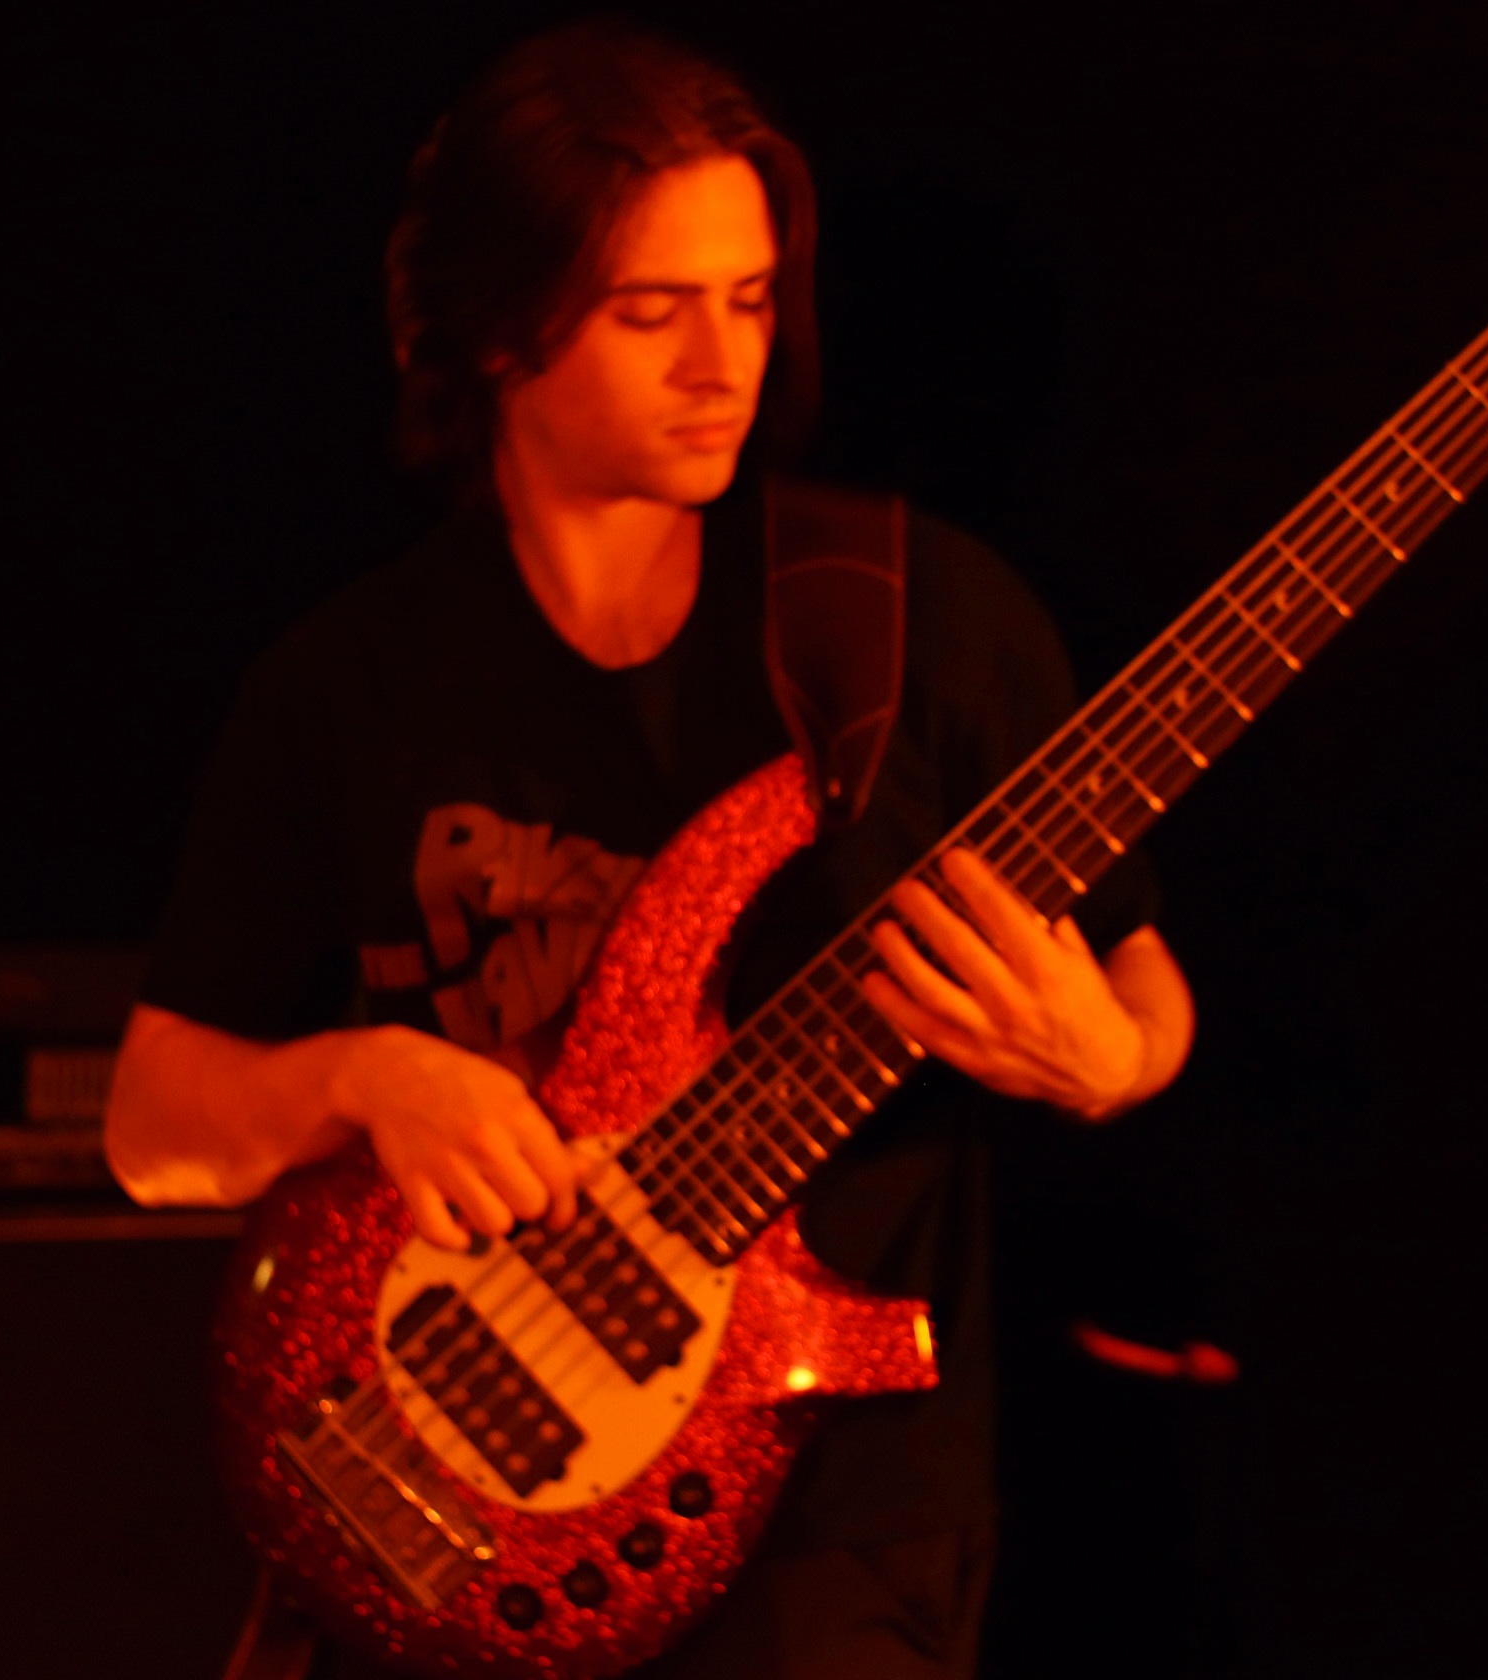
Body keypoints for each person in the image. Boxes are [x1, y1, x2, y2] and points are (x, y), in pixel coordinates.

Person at [101, 19, 1192, 1679]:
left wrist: (1108, 1062)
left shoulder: (918, 625)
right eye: (649, 310)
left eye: (748, 300)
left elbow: (1141, 984)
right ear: (498, 328)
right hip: (457, 1507)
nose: (722, 363)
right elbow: (151, 1126)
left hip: (839, 1530)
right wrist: (363, 1079)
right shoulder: (343, 685)